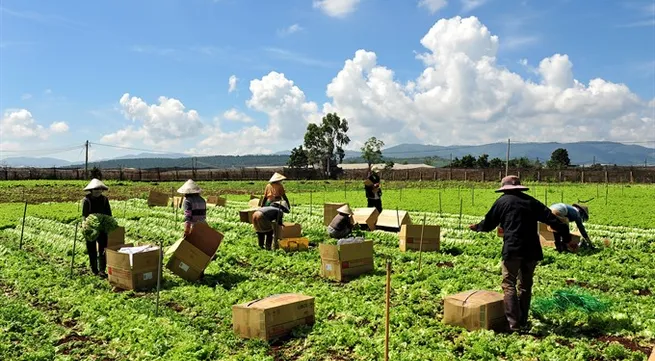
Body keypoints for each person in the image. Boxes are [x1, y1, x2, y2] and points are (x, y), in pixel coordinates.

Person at [468, 175, 573, 333]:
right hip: (532, 250)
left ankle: (513, 324)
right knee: (525, 285)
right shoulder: (531, 202)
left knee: (509, 283)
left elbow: (489, 223)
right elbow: (554, 220)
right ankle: (523, 320)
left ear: (504, 188)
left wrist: (477, 227)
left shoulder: (502, 202)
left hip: (513, 249)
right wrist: (566, 237)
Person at [82, 178, 112, 278]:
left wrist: (108, 225)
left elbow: (109, 214)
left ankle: (102, 270)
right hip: (91, 228)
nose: (98, 191)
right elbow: (84, 216)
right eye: (95, 190)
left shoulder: (104, 199)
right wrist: (86, 227)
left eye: (99, 189)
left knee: (103, 249)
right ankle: (94, 269)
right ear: (91, 190)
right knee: (92, 249)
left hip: (102, 228)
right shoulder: (87, 200)